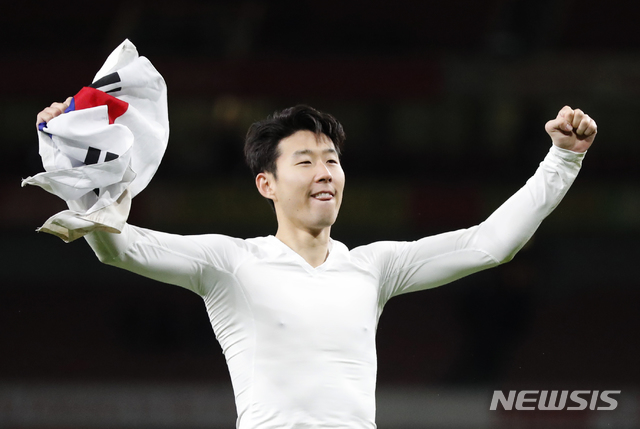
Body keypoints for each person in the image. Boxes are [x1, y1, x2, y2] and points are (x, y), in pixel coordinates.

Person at [35, 101, 597, 428]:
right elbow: (117, 245)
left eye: (332, 159)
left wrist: (562, 160)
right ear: (267, 184)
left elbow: (488, 244)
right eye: (305, 160)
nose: (325, 171)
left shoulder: (373, 269)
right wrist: (76, 167)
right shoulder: (229, 263)